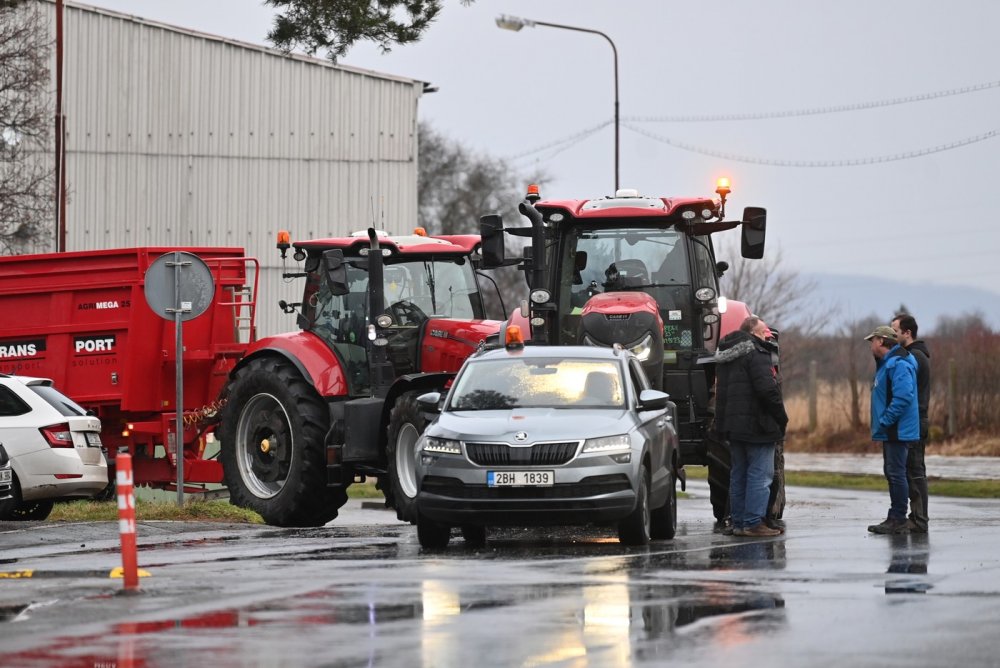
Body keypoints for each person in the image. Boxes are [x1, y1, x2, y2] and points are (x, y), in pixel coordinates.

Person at [714, 315, 789, 538]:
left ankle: (738, 522)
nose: (768, 334)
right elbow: (767, 390)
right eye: (764, 330)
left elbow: (721, 395)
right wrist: (781, 417)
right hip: (758, 425)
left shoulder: (727, 356)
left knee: (739, 474)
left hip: (734, 426)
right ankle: (753, 522)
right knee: (760, 475)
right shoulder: (757, 353)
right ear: (753, 332)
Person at [865, 325, 920, 535]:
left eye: (872, 341)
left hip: (897, 429)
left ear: (880, 341)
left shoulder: (898, 364)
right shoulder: (887, 364)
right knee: (893, 472)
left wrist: (886, 420)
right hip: (892, 429)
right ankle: (895, 516)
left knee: (896, 473)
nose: (871, 345)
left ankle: (898, 518)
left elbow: (904, 396)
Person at [891, 314, 931, 533]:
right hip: (916, 419)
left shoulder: (914, 356)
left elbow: (906, 392)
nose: (892, 334)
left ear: (907, 333)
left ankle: (919, 519)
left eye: (895, 331)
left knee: (915, 470)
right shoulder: (915, 355)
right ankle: (915, 516)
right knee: (911, 469)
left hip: (916, 419)